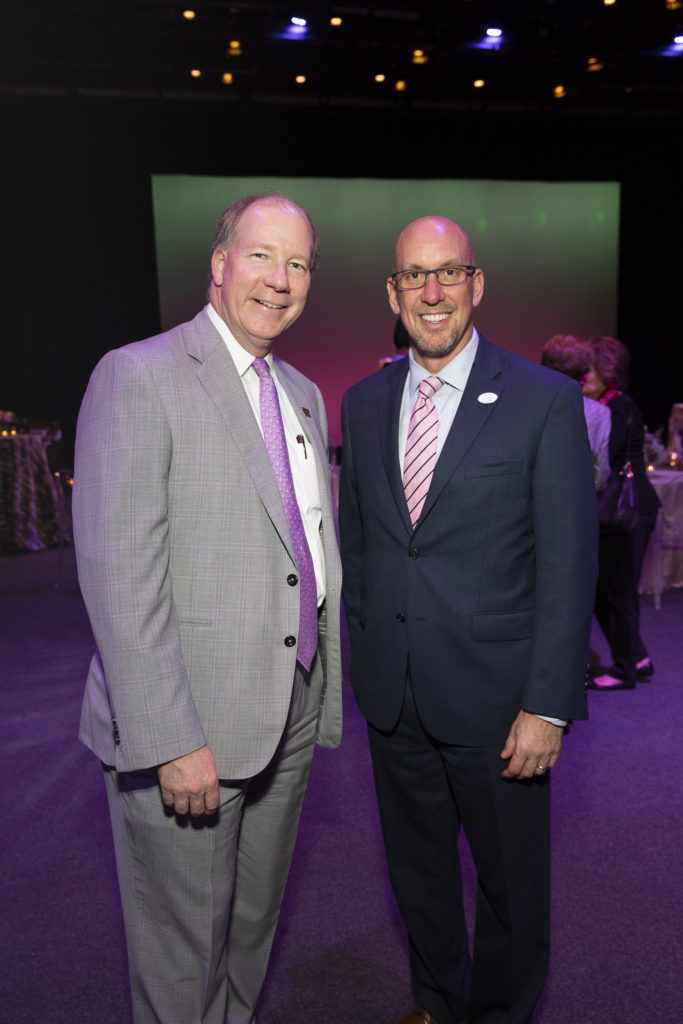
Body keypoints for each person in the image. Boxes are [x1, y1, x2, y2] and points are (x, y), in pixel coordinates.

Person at [73, 193, 343, 1024]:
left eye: (298, 263)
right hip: (189, 720)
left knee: (253, 923)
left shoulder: (300, 392)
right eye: (262, 255)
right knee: (183, 949)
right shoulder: (140, 373)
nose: (280, 278)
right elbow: (120, 574)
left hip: (291, 702)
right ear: (220, 264)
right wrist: (166, 736)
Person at [339, 215, 597, 1024]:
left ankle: (500, 1015)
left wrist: (547, 704)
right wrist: (362, 664)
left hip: (500, 702)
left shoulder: (543, 401)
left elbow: (567, 563)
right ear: (392, 292)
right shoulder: (362, 401)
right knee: (416, 872)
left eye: (448, 272)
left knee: (510, 883)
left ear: (476, 284)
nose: (432, 291)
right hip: (395, 695)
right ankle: (435, 1001)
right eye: (414, 275)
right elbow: (364, 545)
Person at [582, 335, 661, 690]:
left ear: (606, 371)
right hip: (632, 508)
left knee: (619, 591)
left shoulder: (615, 408)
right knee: (611, 588)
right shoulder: (617, 404)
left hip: (627, 509)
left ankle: (625, 669)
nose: (584, 375)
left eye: (591, 369)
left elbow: (608, 460)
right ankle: (637, 657)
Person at [541, 333, 611, 492]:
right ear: (583, 370)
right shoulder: (598, 412)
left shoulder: (525, 401)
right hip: (575, 498)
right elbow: (600, 471)